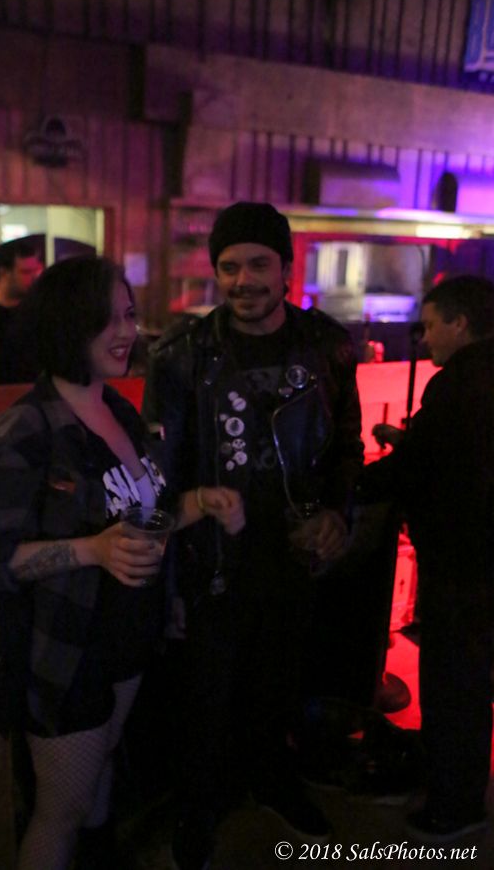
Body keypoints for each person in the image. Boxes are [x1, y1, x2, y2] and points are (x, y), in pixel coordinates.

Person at [0, 255, 244, 870]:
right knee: (59, 811)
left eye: (130, 315)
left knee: (99, 780)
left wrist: (199, 503)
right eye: (106, 319)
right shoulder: (22, 431)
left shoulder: (120, 410)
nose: (127, 332)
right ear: (67, 326)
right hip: (67, 654)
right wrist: (91, 549)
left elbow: (143, 518)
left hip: (129, 639)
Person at [143, 201, 364, 869]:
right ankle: (199, 806)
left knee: (278, 683)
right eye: (229, 267)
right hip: (212, 557)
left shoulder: (328, 345)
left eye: (258, 264)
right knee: (205, 696)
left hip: (294, 555)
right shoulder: (181, 354)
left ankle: (273, 781)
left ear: (287, 268)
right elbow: (159, 475)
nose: (243, 280)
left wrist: (338, 514)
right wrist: (168, 577)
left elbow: (346, 448)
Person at [363, 275, 494, 842]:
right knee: (470, 680)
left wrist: (346, 489)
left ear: (460, 324)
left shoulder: (458, 382)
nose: (425, 337)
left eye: (432, 324)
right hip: (481, 559)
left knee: (453, 684)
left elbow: (417, 469)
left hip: (461, 564)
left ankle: (453, 806)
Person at [0, 240, 41, 383]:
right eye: (26, 272)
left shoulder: (38, 310)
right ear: (3, 272)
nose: (34, 277)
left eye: (35, 270)